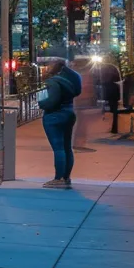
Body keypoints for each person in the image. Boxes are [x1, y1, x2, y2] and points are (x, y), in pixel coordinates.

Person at [40, 58, 82, 188]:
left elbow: (48, 102)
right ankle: (66, 177)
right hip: (69, 113)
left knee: (58, 148)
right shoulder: (69, 82)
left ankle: (58, 179)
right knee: (67, 147)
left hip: (54, 116)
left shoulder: (51, 83)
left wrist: (41, 102)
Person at [97, 55, 122, 135]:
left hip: (104, 89)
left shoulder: (100, 68)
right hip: (113, 89)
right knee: (114, 109)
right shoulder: (114, 68)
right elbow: (118, 78)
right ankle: (114, 128)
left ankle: (105, 125)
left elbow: (96, 79)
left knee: (103, 108)